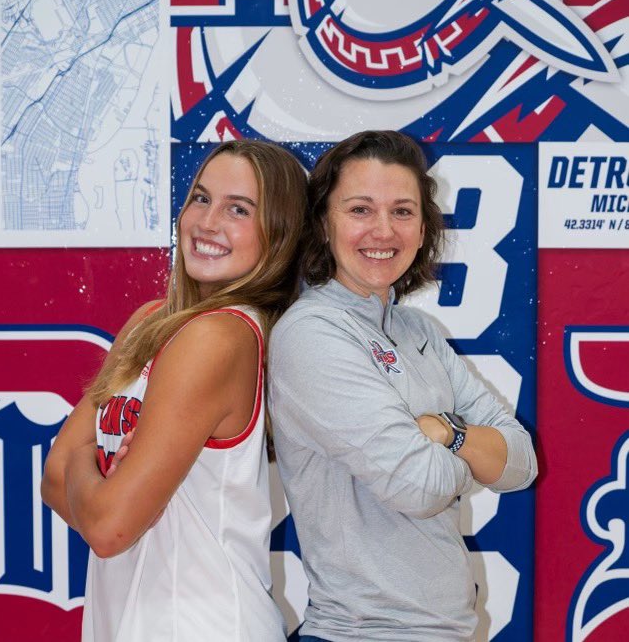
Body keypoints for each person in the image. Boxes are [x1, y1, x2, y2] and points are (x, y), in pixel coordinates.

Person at [268, 130, 538, 641]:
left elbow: (521, 462)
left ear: (422, 227)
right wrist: (472, 449)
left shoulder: (419, 333)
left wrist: (444, 432)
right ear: (324, 223)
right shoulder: (311, 334)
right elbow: (418, 486)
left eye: (403, 211)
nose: (383, 230)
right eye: (360, 210)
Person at [41, 140, 307, 642]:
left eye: (239, 210)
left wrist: (84, 463)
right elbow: (50, 480)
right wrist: (91, 481)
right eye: (201, 199)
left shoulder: (220, 336)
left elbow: (107, 525)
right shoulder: (150, 322)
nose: (207, 223)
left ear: (279, 236)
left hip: (201, 624)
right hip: (130, 621)